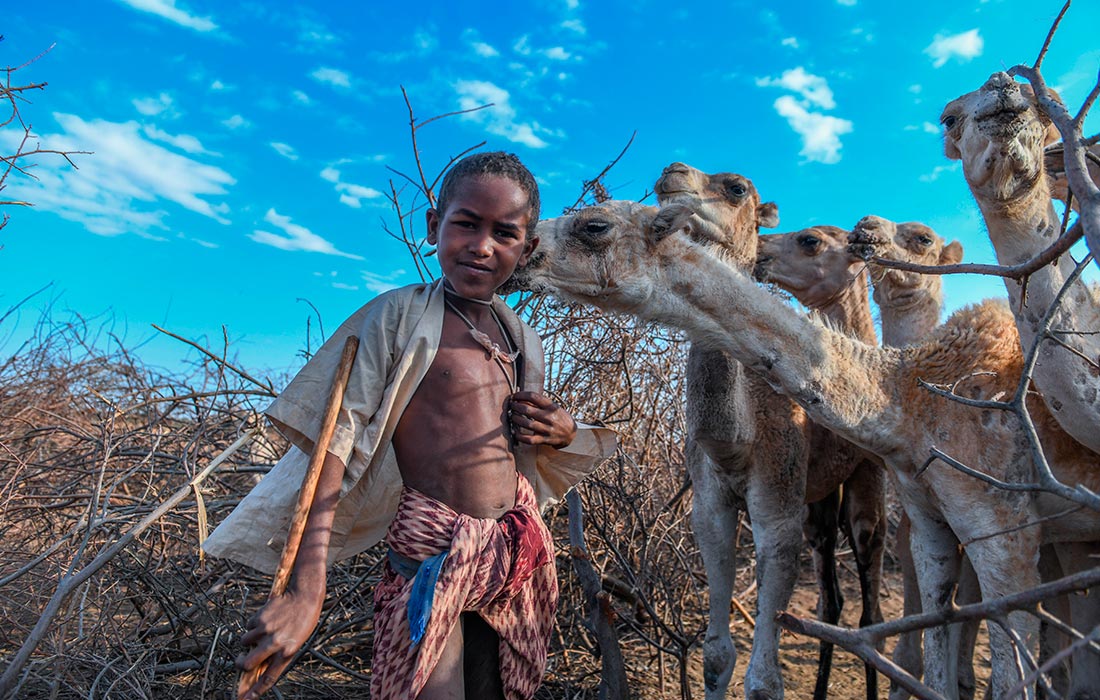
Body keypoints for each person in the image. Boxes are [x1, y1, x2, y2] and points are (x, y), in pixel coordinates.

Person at [204, 151, 616, 700]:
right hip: (431, 556)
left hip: (510, 556)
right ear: (433, 226)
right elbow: (334, 445)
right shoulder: (396, 317)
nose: (482, 245)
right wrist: (307, 589)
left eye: (504, 233)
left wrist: (561, 431)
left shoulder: (521, 337)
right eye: (466, 223)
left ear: (529, 248)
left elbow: (525, 446)